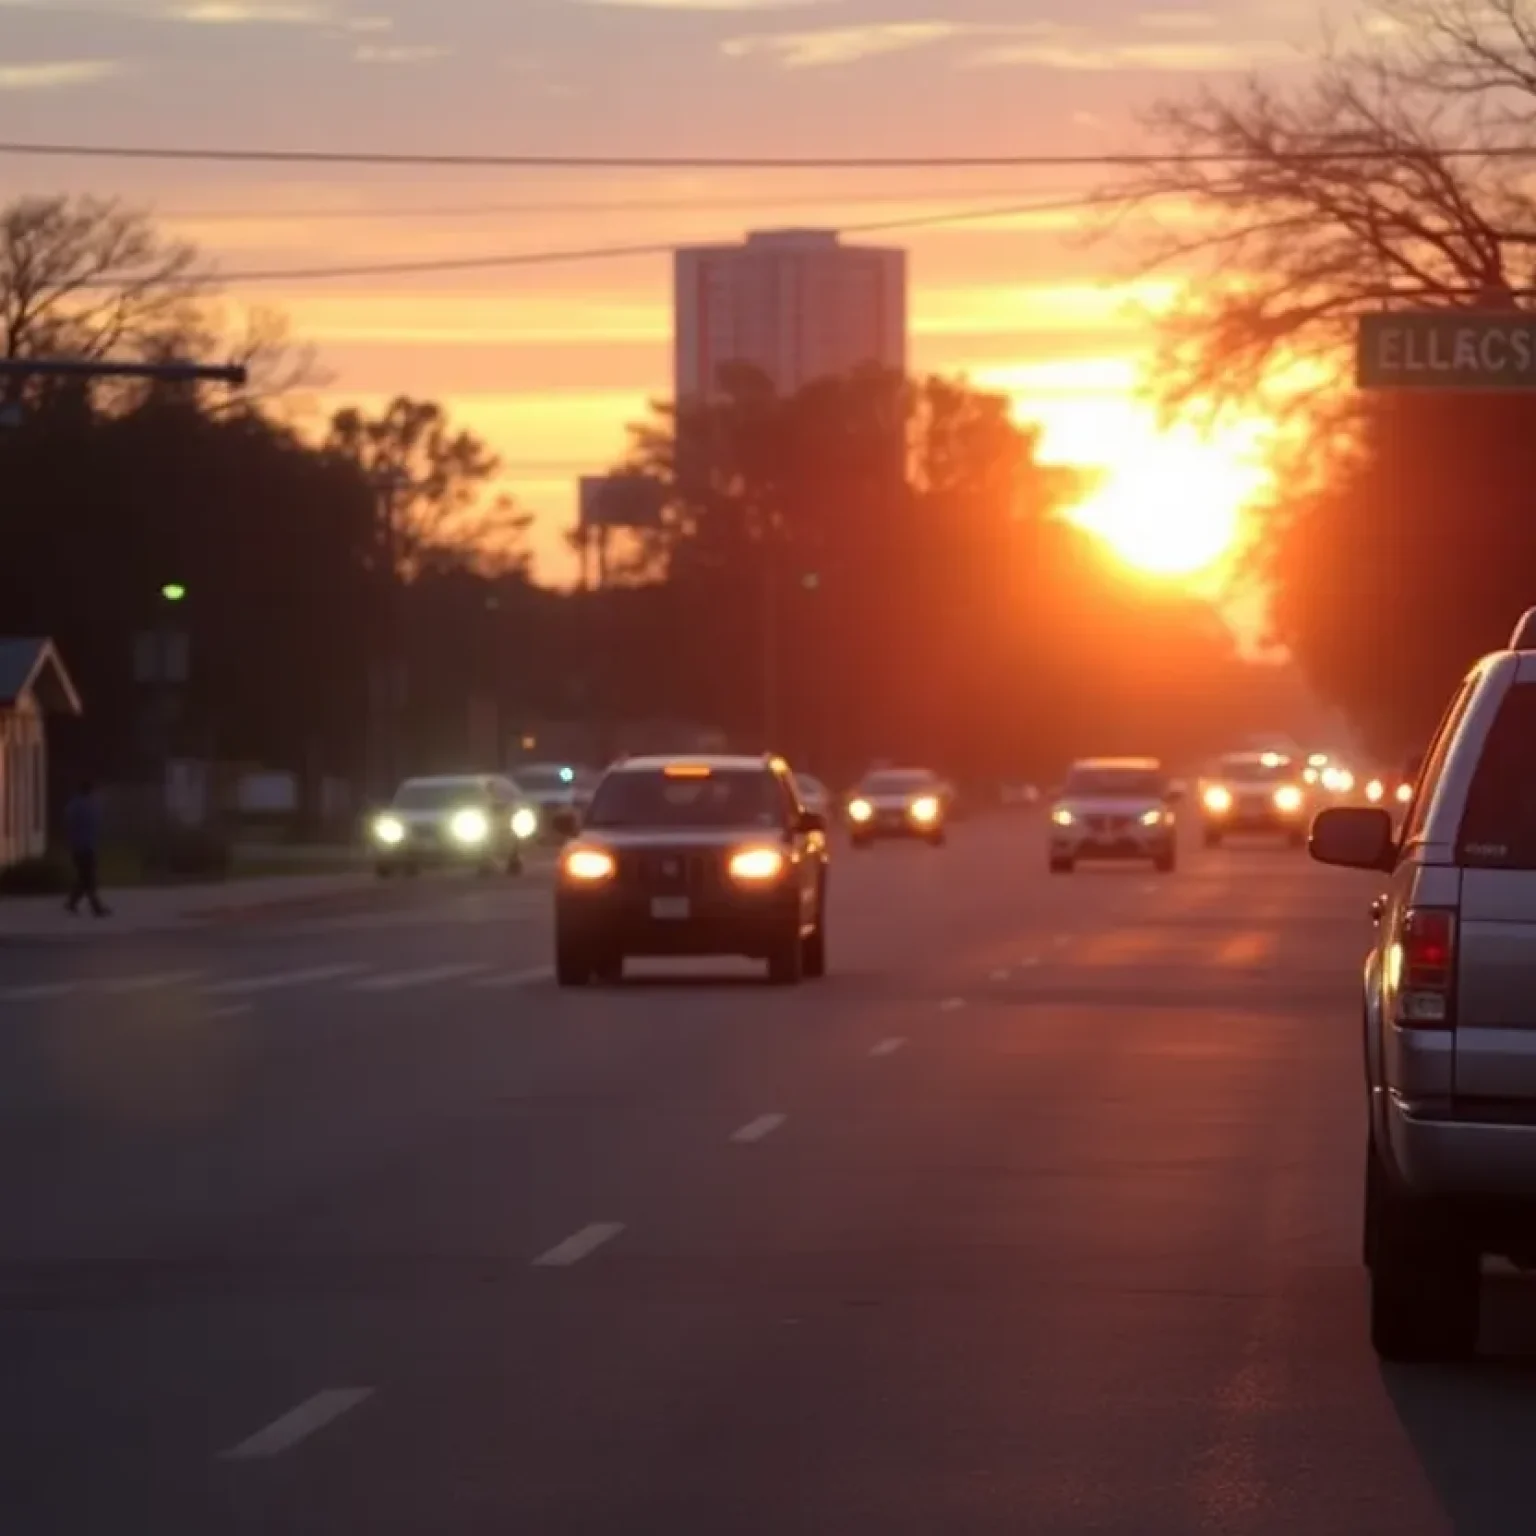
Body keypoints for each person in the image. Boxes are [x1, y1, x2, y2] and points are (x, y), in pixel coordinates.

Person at [62, 779, 110, 918]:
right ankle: (96, 907)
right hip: (88, 846)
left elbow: (68, 824)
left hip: (78, 846)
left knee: (85, 877)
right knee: (88, 878)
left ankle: (72, 903)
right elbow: (97, 824)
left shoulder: (74, 805)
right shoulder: (92, 805)